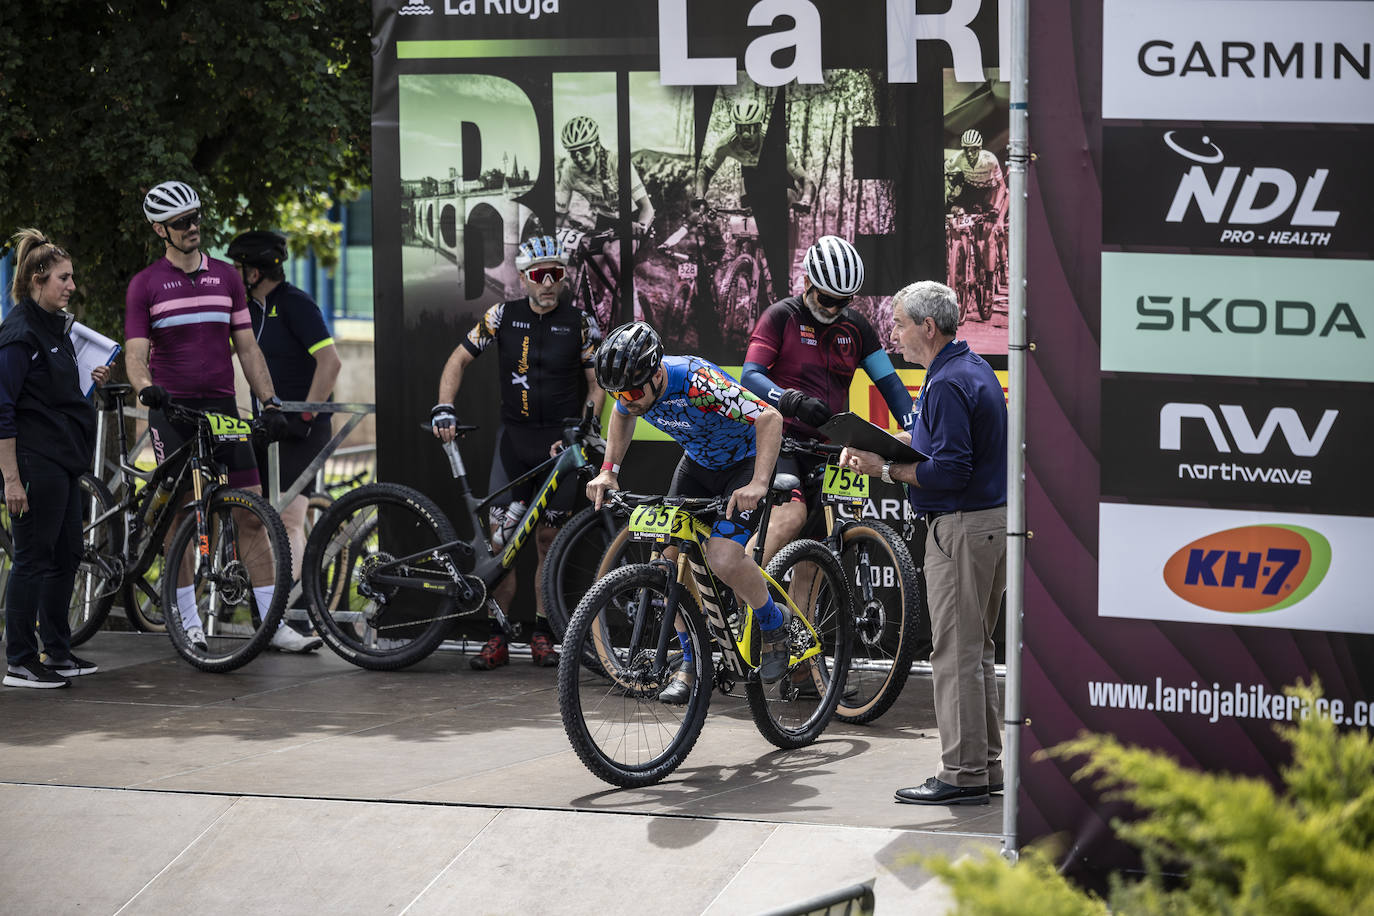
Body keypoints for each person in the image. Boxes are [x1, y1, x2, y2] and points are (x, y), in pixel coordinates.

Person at [125, 181, 320, 654]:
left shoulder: (227, 279)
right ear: (160, 230)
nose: (193, 228)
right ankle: (187, 621)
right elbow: (134, 354)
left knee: (253, 513)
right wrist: (145, 388)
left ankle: (271, 624)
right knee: (181, 520)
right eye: (181, 223)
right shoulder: (145, 284)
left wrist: (269, 402)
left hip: (221, 408)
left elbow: (248, 348)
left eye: (195, 218)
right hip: (171, 409)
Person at [839, 281, 1007, 805]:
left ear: (927, 328)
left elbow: (950, 471)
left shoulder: (949, 381)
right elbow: (942, 447)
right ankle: (985, 766)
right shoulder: (966, 369)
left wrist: (884, 467)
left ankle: (961, 774)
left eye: (899, 323)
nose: (893, 334)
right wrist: (893, 446)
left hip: (961, 526)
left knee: (956, 654)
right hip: (986, 525)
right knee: (974, 651)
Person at [585, 321, 789, 703]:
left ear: (657, 372)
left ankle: (773, 623)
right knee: (666, 563)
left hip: (744, 463)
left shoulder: (697, 381)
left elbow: (770, 419)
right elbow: (622, 414)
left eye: (631, 390)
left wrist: (759, 483)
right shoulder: (633, 393)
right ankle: (692, 662)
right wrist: (608, 470)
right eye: (617, 393)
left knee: (724, 558)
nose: (625, 400)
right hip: (698, 465)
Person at [431, 235, 604, 670]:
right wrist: (444, 405)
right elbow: (456, 360)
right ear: (524, 279)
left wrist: (581, 430)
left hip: (558, 447)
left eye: (557, 274)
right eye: (539, 275)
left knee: (548, 542)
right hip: (514, 442)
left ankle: (541, 634)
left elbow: (597, 384)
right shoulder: (500, 316)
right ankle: (497, 634)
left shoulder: (580, 322)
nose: (549, 283)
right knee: (501, 544)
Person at [741, 235, 913, 562]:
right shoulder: (781, 315)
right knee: (791, 516)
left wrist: (916, 429)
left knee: (820, 549)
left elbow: (891, 386)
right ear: (807, 281)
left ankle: (798, 616)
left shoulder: (857, 327)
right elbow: (750, 376)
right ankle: (743, 606)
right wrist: (790, 400)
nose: (833, 308)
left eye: (843, 301)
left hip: (828, 446)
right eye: (826, 297)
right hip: (781, 439)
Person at [0, 230, 110, 687]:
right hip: (33, 461)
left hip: (63, 462)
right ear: (36, 280)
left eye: (72, 278)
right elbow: (3, 408)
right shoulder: (19, 333)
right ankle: (20, 660)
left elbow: (57, 393)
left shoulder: (58, 328)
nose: (71, 286)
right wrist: (10, 478)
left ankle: (58, 651)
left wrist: (93, 378)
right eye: (63, 279)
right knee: (32, 557)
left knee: (65, 554)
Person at [227, 230, 343, 615]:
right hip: (268, 425)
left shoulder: (295, 304)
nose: (235, 273)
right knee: (255, 515)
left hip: (303, 428)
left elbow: (331, 362)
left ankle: (288, 611)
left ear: (255, 272)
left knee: (289, 517)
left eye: (240, 266)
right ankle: (270, 603)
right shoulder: (250, 310)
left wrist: (305, 414)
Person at [695, 97, 810, 300]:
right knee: (745, 215)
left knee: (786, 203)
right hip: (752, 178)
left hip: (779, 179)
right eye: (740, 128)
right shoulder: (727, 143)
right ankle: (748, 265)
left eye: (751, 128)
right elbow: (704, 173)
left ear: (759, 126)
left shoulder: (774, 141)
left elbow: (803, 179)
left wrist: (806, 199)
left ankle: (787, 275)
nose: (746, 134)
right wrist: (699, 198)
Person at [554, 115, 655, 328]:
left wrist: (641, 228)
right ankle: (599, 325)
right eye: (574, 153)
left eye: (585, 150)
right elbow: (559, 215)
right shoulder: (569, 172)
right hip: (605, 221)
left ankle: (633, 307)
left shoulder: (617, 163)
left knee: (613, 252)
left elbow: (648, 208)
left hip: (632, 220)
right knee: (592, 279)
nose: (579, 157)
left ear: (596, 145)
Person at [945, 129, 1008, 286]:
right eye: (967, 149)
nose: (970, 153)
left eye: (974, 149)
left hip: (989, 193)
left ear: (979, 148)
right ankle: (960, 253)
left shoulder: (990, 160)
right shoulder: (957, 158)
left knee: (988, 238)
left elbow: (1002, 186)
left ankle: (989, 279)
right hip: (971, 192)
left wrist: (997, 210)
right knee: (953, 216)